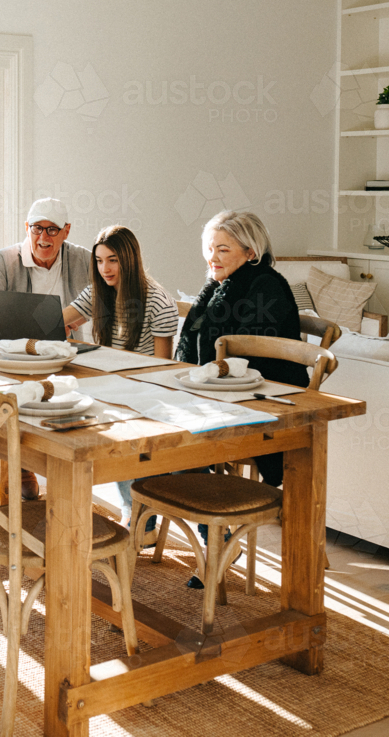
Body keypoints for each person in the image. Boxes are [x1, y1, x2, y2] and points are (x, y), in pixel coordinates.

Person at [176, 210, 308, 583]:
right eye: (209, 249)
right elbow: (200, 348)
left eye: (222, 249)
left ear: (251, 252)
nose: (212, 258)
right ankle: (202, 531)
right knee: (156, 434)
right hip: (220, 398)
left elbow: (250, 358)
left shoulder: (266, 286)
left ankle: (219, 536)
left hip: (266, 409)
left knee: (179, 442)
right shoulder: (219, 287)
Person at [0, 197, 93, 499]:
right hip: (19, 355)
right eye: (37, 229)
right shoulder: (6, 259)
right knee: (15, 394)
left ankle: (67, 467)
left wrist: (77, 318)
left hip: (67, 354)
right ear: (26, 228)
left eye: (52, 230)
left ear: (66, 231)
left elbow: (103, 299)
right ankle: (24, 464)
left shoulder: (83, 259)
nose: (43, 238)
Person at [62, 225, 178, 527]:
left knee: (103, 425)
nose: (105, 269)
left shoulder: (156, 301)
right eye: (99, 261)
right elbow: (55, 320)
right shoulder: (100, 291)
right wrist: (58, 327)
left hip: (149, 394)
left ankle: (139, 515)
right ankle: (136, 513)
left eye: (112, 260)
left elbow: (163, 369)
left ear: (129, 259)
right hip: (113, 387)